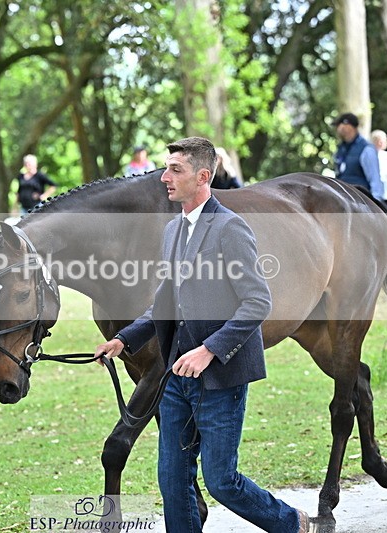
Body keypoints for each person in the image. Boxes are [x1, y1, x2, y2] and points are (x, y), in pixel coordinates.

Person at [96, 137, 316, 533]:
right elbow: (165, 300)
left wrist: (209, 351)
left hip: (220, 377)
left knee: (220, 481)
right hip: (177, 379)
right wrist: (125, 339)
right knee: (173, 481)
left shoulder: (230, 228)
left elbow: (256, 302)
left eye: (175, 170)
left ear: (202, 176)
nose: (164, 177)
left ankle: (294, 524)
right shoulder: (172, 232)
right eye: (166, 168)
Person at [333, 113, 384, 202]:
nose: (337, 129)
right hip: (344, 201)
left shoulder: (366, 149)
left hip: (361, 203)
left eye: (339, 125)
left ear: (347, 126)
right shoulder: (341, 149)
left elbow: (375, 180)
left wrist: (376, 204)